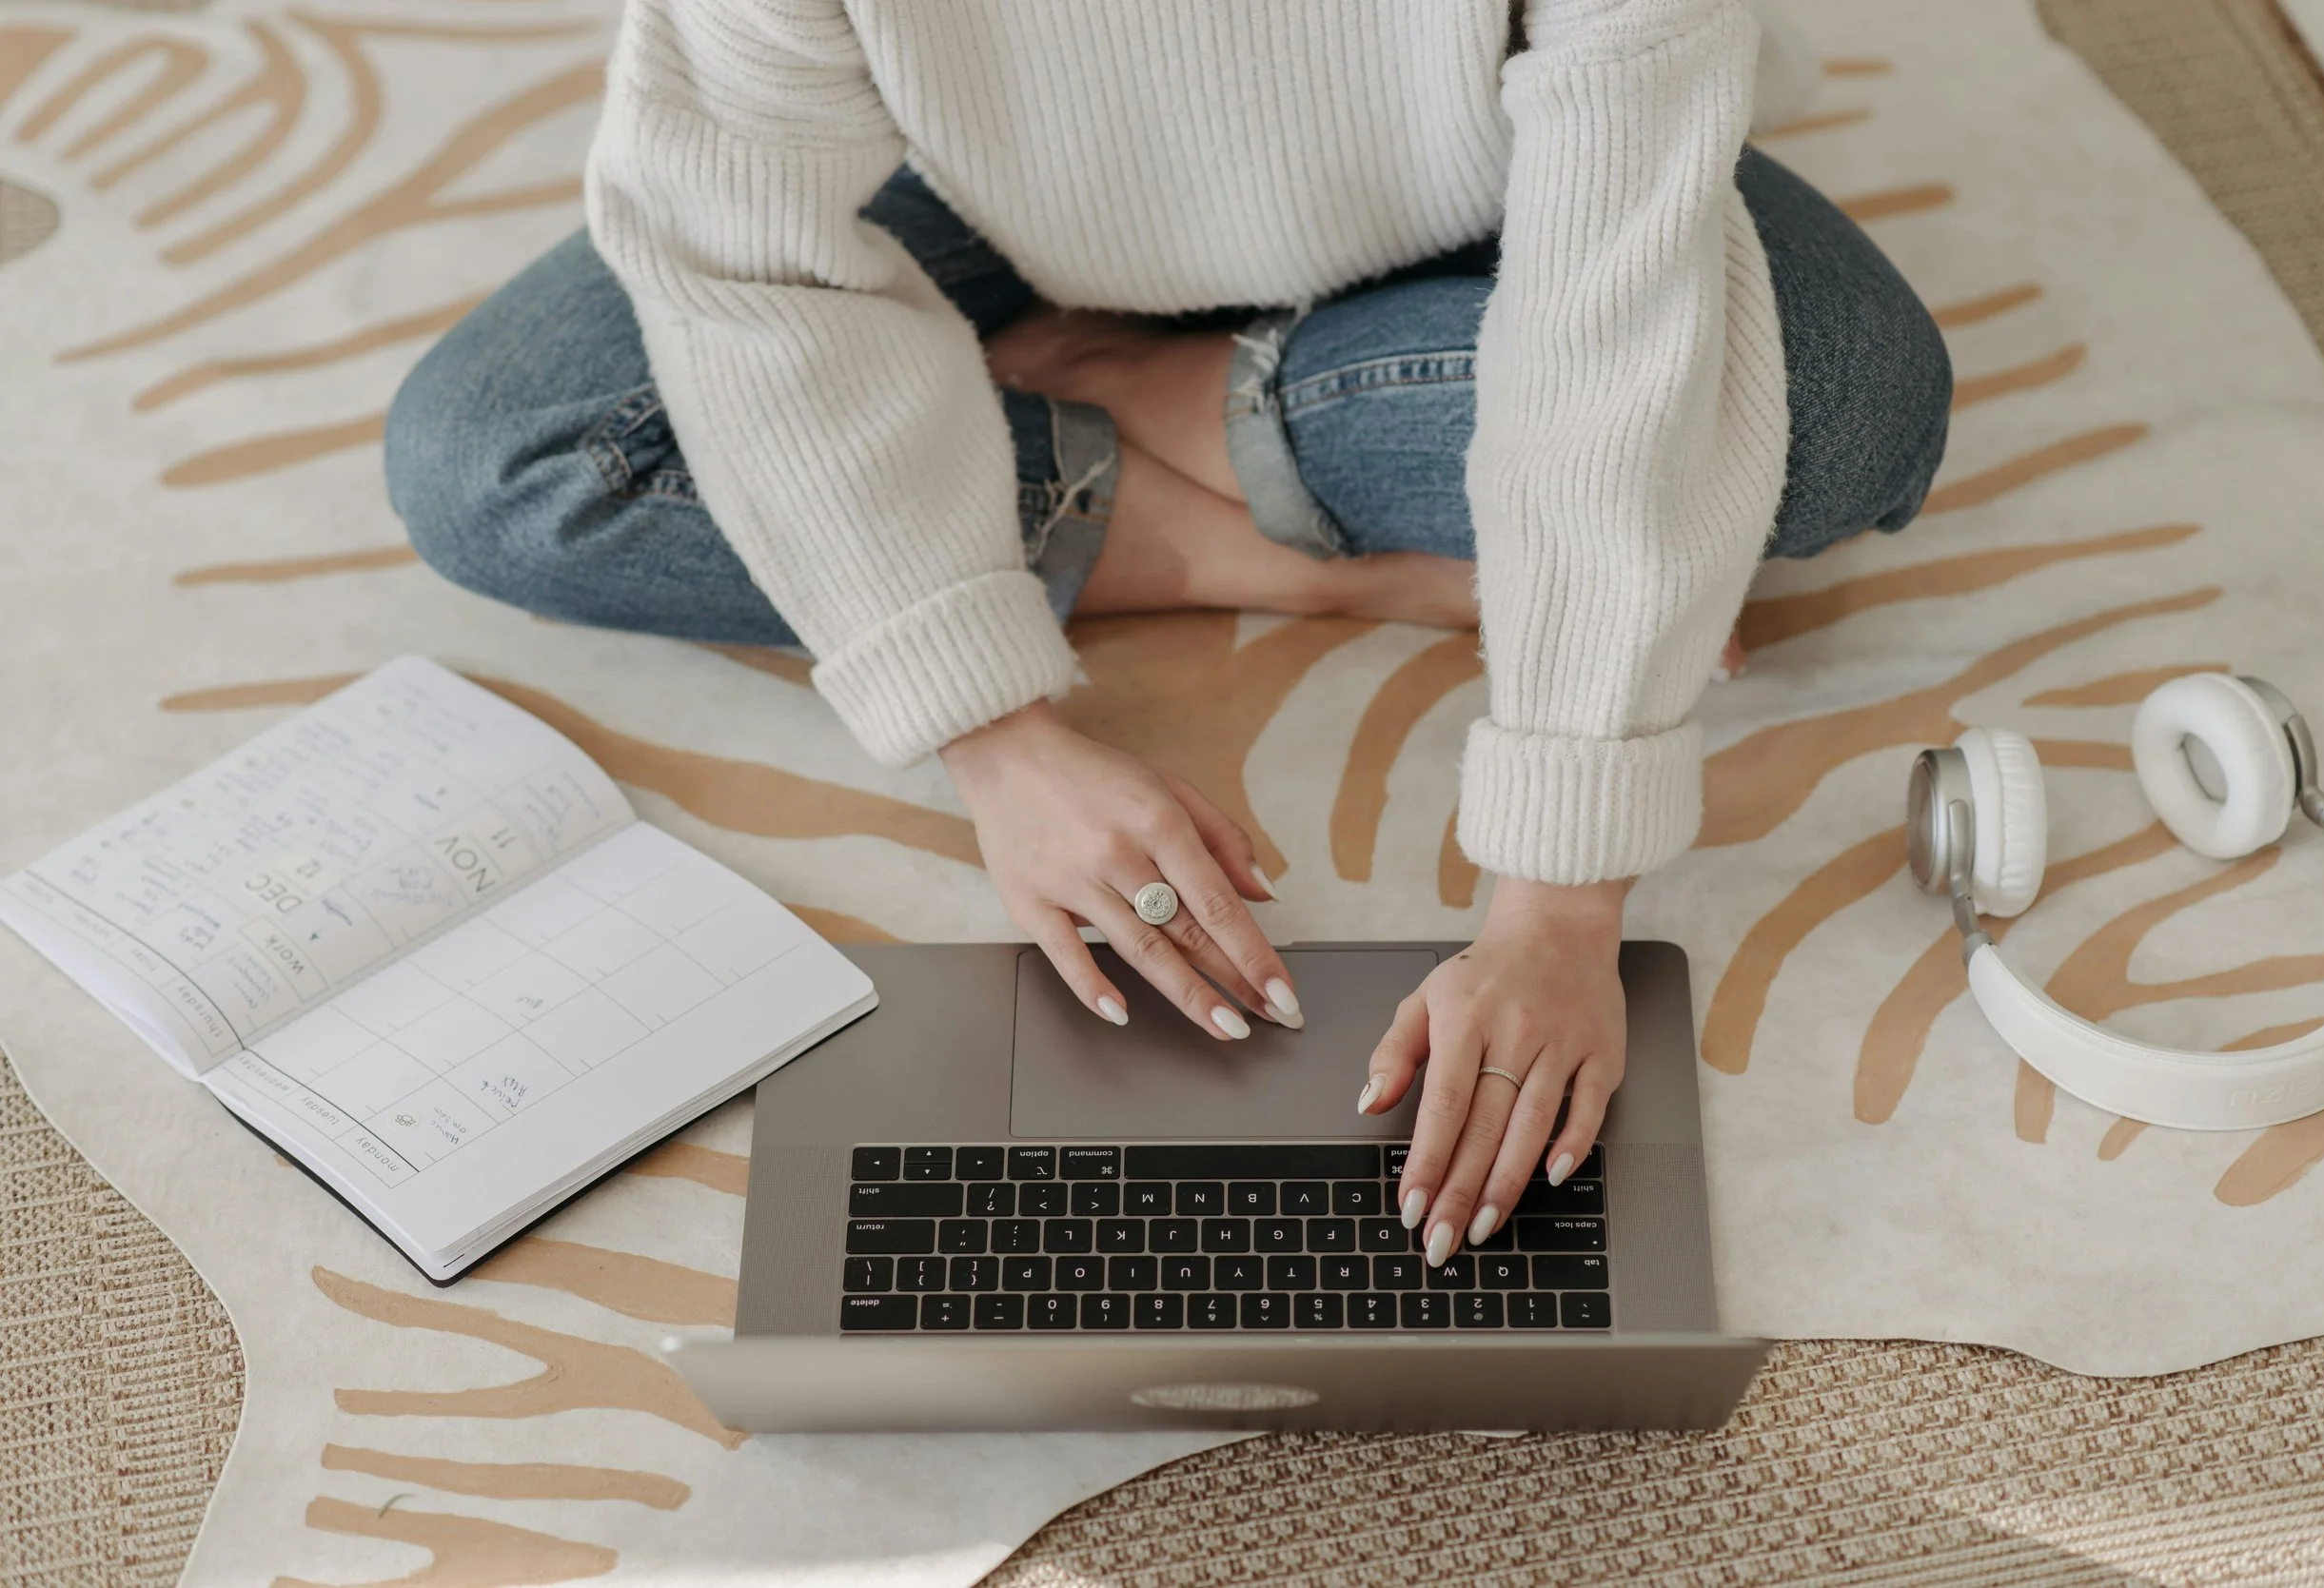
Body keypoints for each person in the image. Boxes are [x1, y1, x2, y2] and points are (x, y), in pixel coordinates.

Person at [385, 0, 1950, 1272]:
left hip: (1491, 170)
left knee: (1848, 415)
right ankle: (1282, 534)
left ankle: (1119, 399)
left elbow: (1618, 298)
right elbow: (733, 249)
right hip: (980, 179)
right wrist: (994, 738)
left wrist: (1556, 911)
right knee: (496, 465)